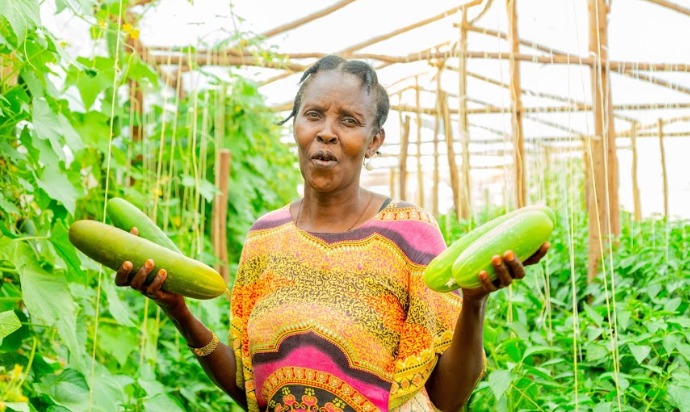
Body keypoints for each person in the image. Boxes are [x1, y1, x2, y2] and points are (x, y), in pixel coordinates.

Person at [116, 54, 549, 412]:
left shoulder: (410, 235)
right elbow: (252, 390)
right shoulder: (263, 238)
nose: (326, 131)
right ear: (296, 128)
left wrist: (474, 302)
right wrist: (178, 310)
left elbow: (447, 401)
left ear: (374, 140)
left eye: (349, 120)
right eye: (314, 115)